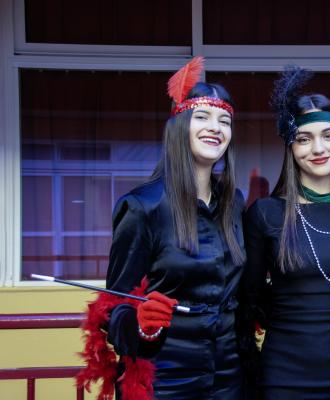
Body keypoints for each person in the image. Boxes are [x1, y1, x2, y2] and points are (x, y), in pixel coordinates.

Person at [78, 57, 246, 400]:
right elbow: (115, 306)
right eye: (202, 117)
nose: (215, 127)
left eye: (224, 121)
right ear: (179, 125)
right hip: (166, 380)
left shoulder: (234, 203)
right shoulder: (143, 206)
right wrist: (143, 325)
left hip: (228, 376)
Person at [238, 65, 330, 400]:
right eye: (304, 139)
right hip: (285, 375)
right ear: (291, 146)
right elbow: (248, 299)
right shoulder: (266, 214)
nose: (318, 148)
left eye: (328, 136)